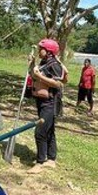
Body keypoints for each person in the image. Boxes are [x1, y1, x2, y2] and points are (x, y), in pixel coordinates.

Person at [28, 38, 67, 173]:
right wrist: (32, 63)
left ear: (49, 51)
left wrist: (40, 77)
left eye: (41, 49)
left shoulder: (54, 64)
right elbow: (33, 74)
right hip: (42, 101)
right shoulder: (44, 62)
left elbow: (58, 84)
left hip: (51, 103)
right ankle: (51, 159)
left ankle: (40, 162)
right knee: (49, 131)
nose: (39, 51)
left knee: (40, 131)